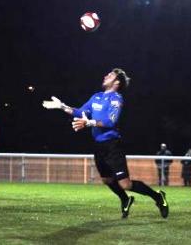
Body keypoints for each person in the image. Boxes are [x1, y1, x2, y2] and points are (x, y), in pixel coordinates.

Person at [43, 68, 169, 219]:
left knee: (126, 184)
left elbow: (111, 121)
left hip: (112, 145)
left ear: (117, 82)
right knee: (107, 179)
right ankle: (125, 199)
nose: (105, 76)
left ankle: (158, 197)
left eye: (110, 75)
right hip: (98, 145)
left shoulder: (116, 98)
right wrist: (62, 106)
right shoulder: (96, 97)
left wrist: (89, 123)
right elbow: (80, 112)